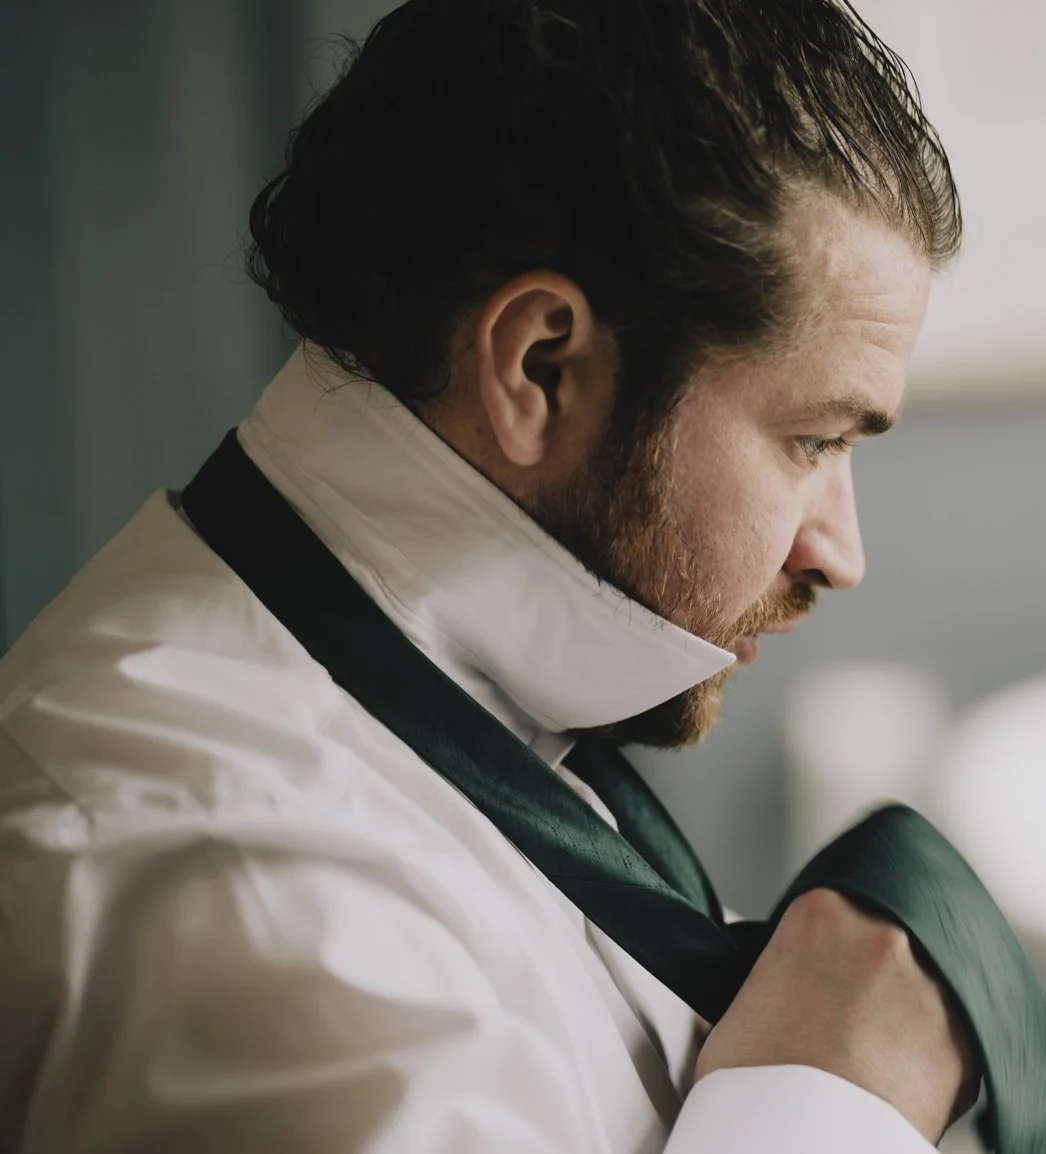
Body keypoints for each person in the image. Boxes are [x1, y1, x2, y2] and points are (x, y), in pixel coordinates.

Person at [0, 1, 978, 1150]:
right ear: (542, 365)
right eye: (814, 442)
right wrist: (835, 1108)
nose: (840, 553)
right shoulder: (250, 901)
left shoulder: (481, 696)